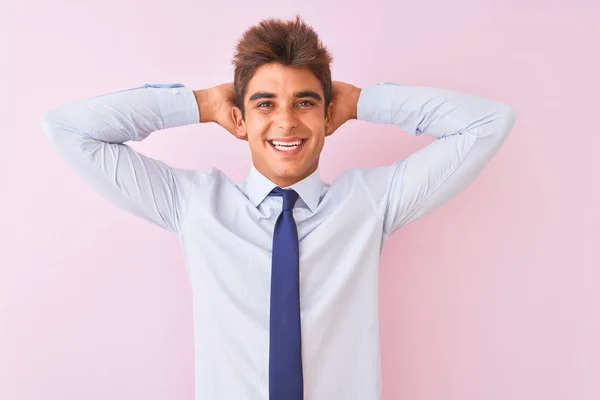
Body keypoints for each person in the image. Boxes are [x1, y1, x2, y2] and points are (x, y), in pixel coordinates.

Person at [41, 14, 515, 400]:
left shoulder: (370, 204)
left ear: (328, 115)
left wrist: (363, 101)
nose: (286, 122)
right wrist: (200, 103)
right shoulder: (193, 206)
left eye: (305, 102)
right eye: (265, 104)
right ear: (240, 118)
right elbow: (69, 129)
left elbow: (489, 123)